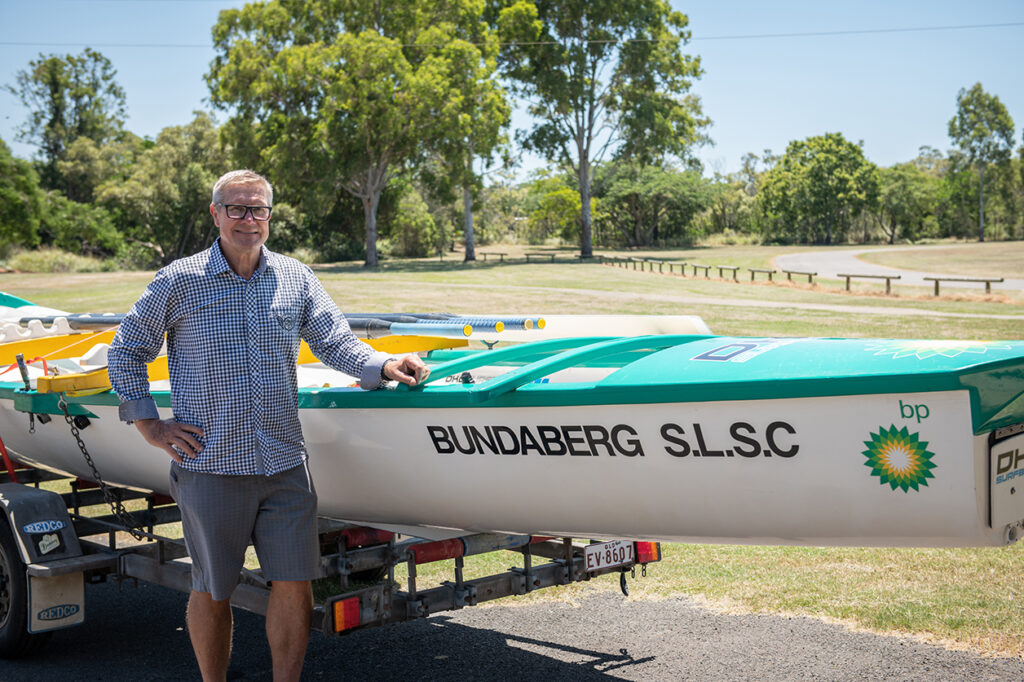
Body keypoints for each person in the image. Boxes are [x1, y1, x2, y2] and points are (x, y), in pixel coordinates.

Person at [107, 169, 428, 682]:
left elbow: (334, 340)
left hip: (283, 463)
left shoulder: (295, 277)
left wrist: (385, 365)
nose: (248, 219)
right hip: (211, 463)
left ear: (270, 216)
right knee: (213, 588)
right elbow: (126, 351)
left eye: (258, 209)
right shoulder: (178, 280)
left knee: (295, 583)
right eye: (237, 208)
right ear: (216, 214)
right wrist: (150, 425)